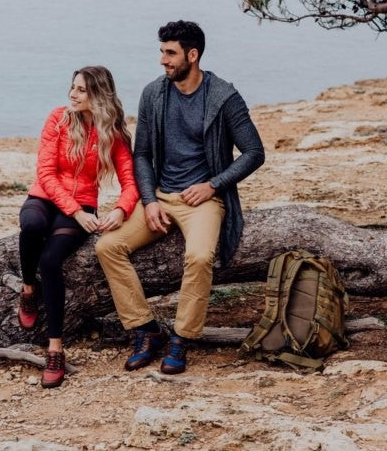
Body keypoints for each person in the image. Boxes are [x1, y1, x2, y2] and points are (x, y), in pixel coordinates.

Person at [95, 20, 265, 374]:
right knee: (107, 247)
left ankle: (181, 338)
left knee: (200, 257)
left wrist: (214, 184)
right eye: (161, 52)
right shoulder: (153, 94)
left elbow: (253, 152)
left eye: (170, 53)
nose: (162, 60)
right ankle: (145, 330)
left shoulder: (223, 97)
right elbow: (141, 154)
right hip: (159, 196)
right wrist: (149, 200)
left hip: (203, 200)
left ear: (193, 54)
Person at [17, 66, 139, 388]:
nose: (72, 94)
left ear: (98, 94)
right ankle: (28, 289)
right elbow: (46, 173)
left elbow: (131, 182)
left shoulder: (111, 132)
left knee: (51, 261)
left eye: (81, 90)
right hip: (45, 196)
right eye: (72, 87)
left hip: (84, 204)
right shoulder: (58, 118)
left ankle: (55, 350)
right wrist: (74, 212)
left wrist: (121, 210)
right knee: (31, 226)